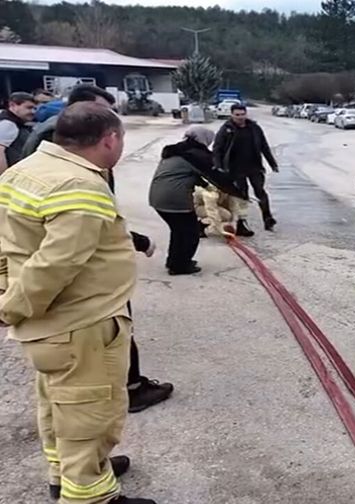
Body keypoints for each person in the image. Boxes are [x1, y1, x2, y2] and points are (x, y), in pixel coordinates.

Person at [0, 102, 156, 504]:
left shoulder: (24, 171)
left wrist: (5, 294)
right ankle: (89, 494)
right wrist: (8, 308)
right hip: (80, 323)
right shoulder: (80, 186)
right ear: (110, 139)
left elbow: (6, 245)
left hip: (49, 329)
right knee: (90, 415)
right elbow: (55, 265)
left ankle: (67, 474)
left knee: (59, 406)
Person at [18, 83, 174, 413]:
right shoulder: (76, 174)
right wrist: (12, 307)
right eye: (105, 111)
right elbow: (59, 255)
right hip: (80, 307)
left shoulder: (52, 152)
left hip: (58, 307)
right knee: (86, 411)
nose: (110, 118)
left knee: (61, 398)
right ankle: (129, 392)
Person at [148, 127, 217, 275]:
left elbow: (187, 173)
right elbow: (215, 173)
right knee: (191, 233)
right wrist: (234, 190)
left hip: (157, 198)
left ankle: (174, 262)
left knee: (178, 231)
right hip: (175, 199)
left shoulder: (177, 151)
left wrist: (204, 185)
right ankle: (181, 266)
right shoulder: (196, 154)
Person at [213, 103, 279, 234]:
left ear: (246, 114)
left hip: (255, 167)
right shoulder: (226, 129)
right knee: (241, 196)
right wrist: (218, 166)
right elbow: (217, 149)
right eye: (237, 115)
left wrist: (272, 163)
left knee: (260, 192)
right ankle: (241, 223)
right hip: (235, 169)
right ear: (232, 115)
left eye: (242, 114)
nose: (240, 117)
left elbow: (264, 146)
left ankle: (268, 218)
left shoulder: (254, 128)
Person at [0, 91, 36, 172]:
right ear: (13, 105)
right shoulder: (8, 124)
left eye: (34, 108)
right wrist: (3, 176)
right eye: (29, 108)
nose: (33, 112)